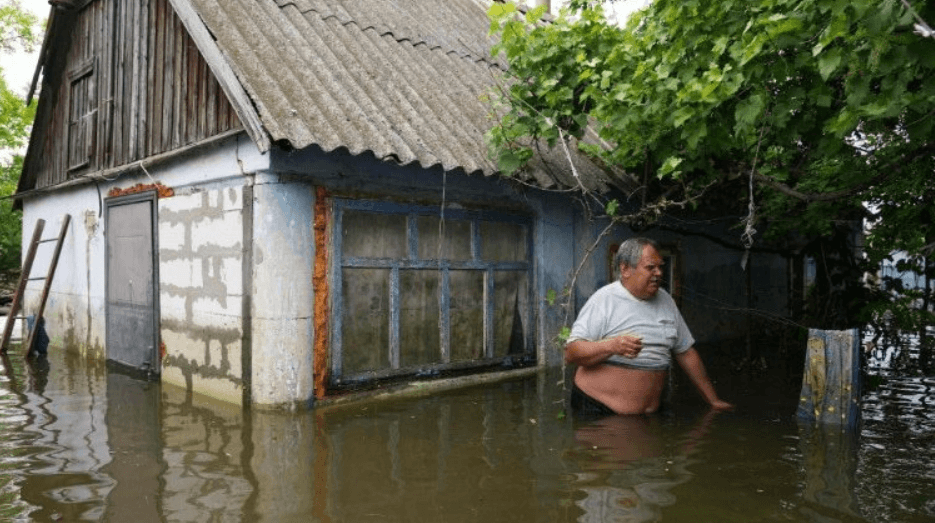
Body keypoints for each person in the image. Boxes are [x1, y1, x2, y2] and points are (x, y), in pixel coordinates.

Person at [565, 237, 733, 416]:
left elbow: (686, 352)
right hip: (599, 410)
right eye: (650, 267)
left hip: (649, 415)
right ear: (625, 269)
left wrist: (713, 400)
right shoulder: (604, 300)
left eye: (660, 266)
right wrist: (611, 346)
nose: (659, 273)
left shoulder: (666, 300)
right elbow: (571, 352)